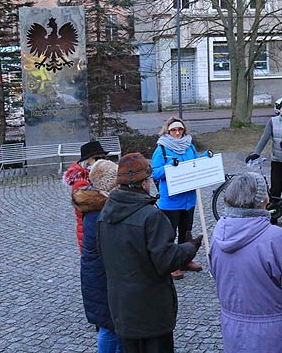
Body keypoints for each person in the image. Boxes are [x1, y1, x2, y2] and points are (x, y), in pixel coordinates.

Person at [97, 153, 203, 353]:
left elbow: (102, 254)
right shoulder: (151, 216)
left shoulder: (105, 214)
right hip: (152, 310)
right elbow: (167, 261)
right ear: (145, 183)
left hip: (122, 308)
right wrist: (190, 248)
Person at [209, 172, 282, 353]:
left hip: (233, 330)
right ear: (262, 200)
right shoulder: (276, 239)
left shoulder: (218, 234)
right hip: (275, 335)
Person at [151, 117, 213, 277]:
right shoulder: (162, 149)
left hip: (189, 198)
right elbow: (155, 173)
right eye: (174, 130)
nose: (177, 132)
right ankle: (171, 264)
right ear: (168, 131)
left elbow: (195, 164)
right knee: (169, 233)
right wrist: (169, 167)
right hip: (171, 201)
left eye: (180, 129)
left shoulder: (189, 146)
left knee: (186, 231)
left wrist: (206, 156)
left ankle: (185, 260)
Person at [72, 159, 122, 353]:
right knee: (109, 327)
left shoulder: (94, 205)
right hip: (102, 277)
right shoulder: (101, 211)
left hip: (97, 275)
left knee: (110, 325)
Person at [63, 141, 108, 253]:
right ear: (88, 160)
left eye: (103, 158)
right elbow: (88, 206)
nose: (101, 162)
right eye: (97, 159)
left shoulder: (94, 176)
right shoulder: (81, 182)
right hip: (89, 233)